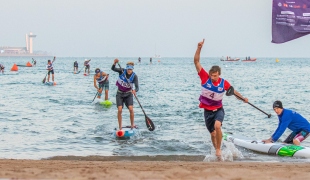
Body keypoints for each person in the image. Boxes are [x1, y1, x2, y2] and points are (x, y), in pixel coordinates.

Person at [194, 39, 248, 158]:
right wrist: (199, 48)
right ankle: (217, 151)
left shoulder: (223, 83)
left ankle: (218, 150)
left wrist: (243, 98)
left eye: (215, 76)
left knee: (218, 126)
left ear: (219, 74)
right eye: (211, 75)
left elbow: (233, 92)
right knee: (213, 134)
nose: (213, 78)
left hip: (218, 109)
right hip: (207, 112)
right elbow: (196, 61)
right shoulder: (204, 77)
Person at [111, 59, 139, 130]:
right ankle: (120, 127)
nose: (129, 71)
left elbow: (137, 87)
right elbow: (113, 69)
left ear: (132, 69)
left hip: (128, 94)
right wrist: (114, 63)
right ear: (126, 68)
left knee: (131, 109)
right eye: (128, 69)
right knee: (120, 110)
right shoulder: (122, 71)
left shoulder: (134, 76)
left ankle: (132, 125)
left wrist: (135, 90)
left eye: (131, 69)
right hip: (119, 94)